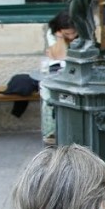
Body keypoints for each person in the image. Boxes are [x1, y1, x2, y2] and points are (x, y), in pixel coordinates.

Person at [40, 11, 76, 145]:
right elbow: (58, 55)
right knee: (47, 94)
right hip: (56, 70)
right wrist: (61, 39)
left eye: (74, 33)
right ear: (59, 31)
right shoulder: (53, 34)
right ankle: (50, 132)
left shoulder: (82, 36)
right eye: (68, 34)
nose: (72, 37)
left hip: (74, 72)